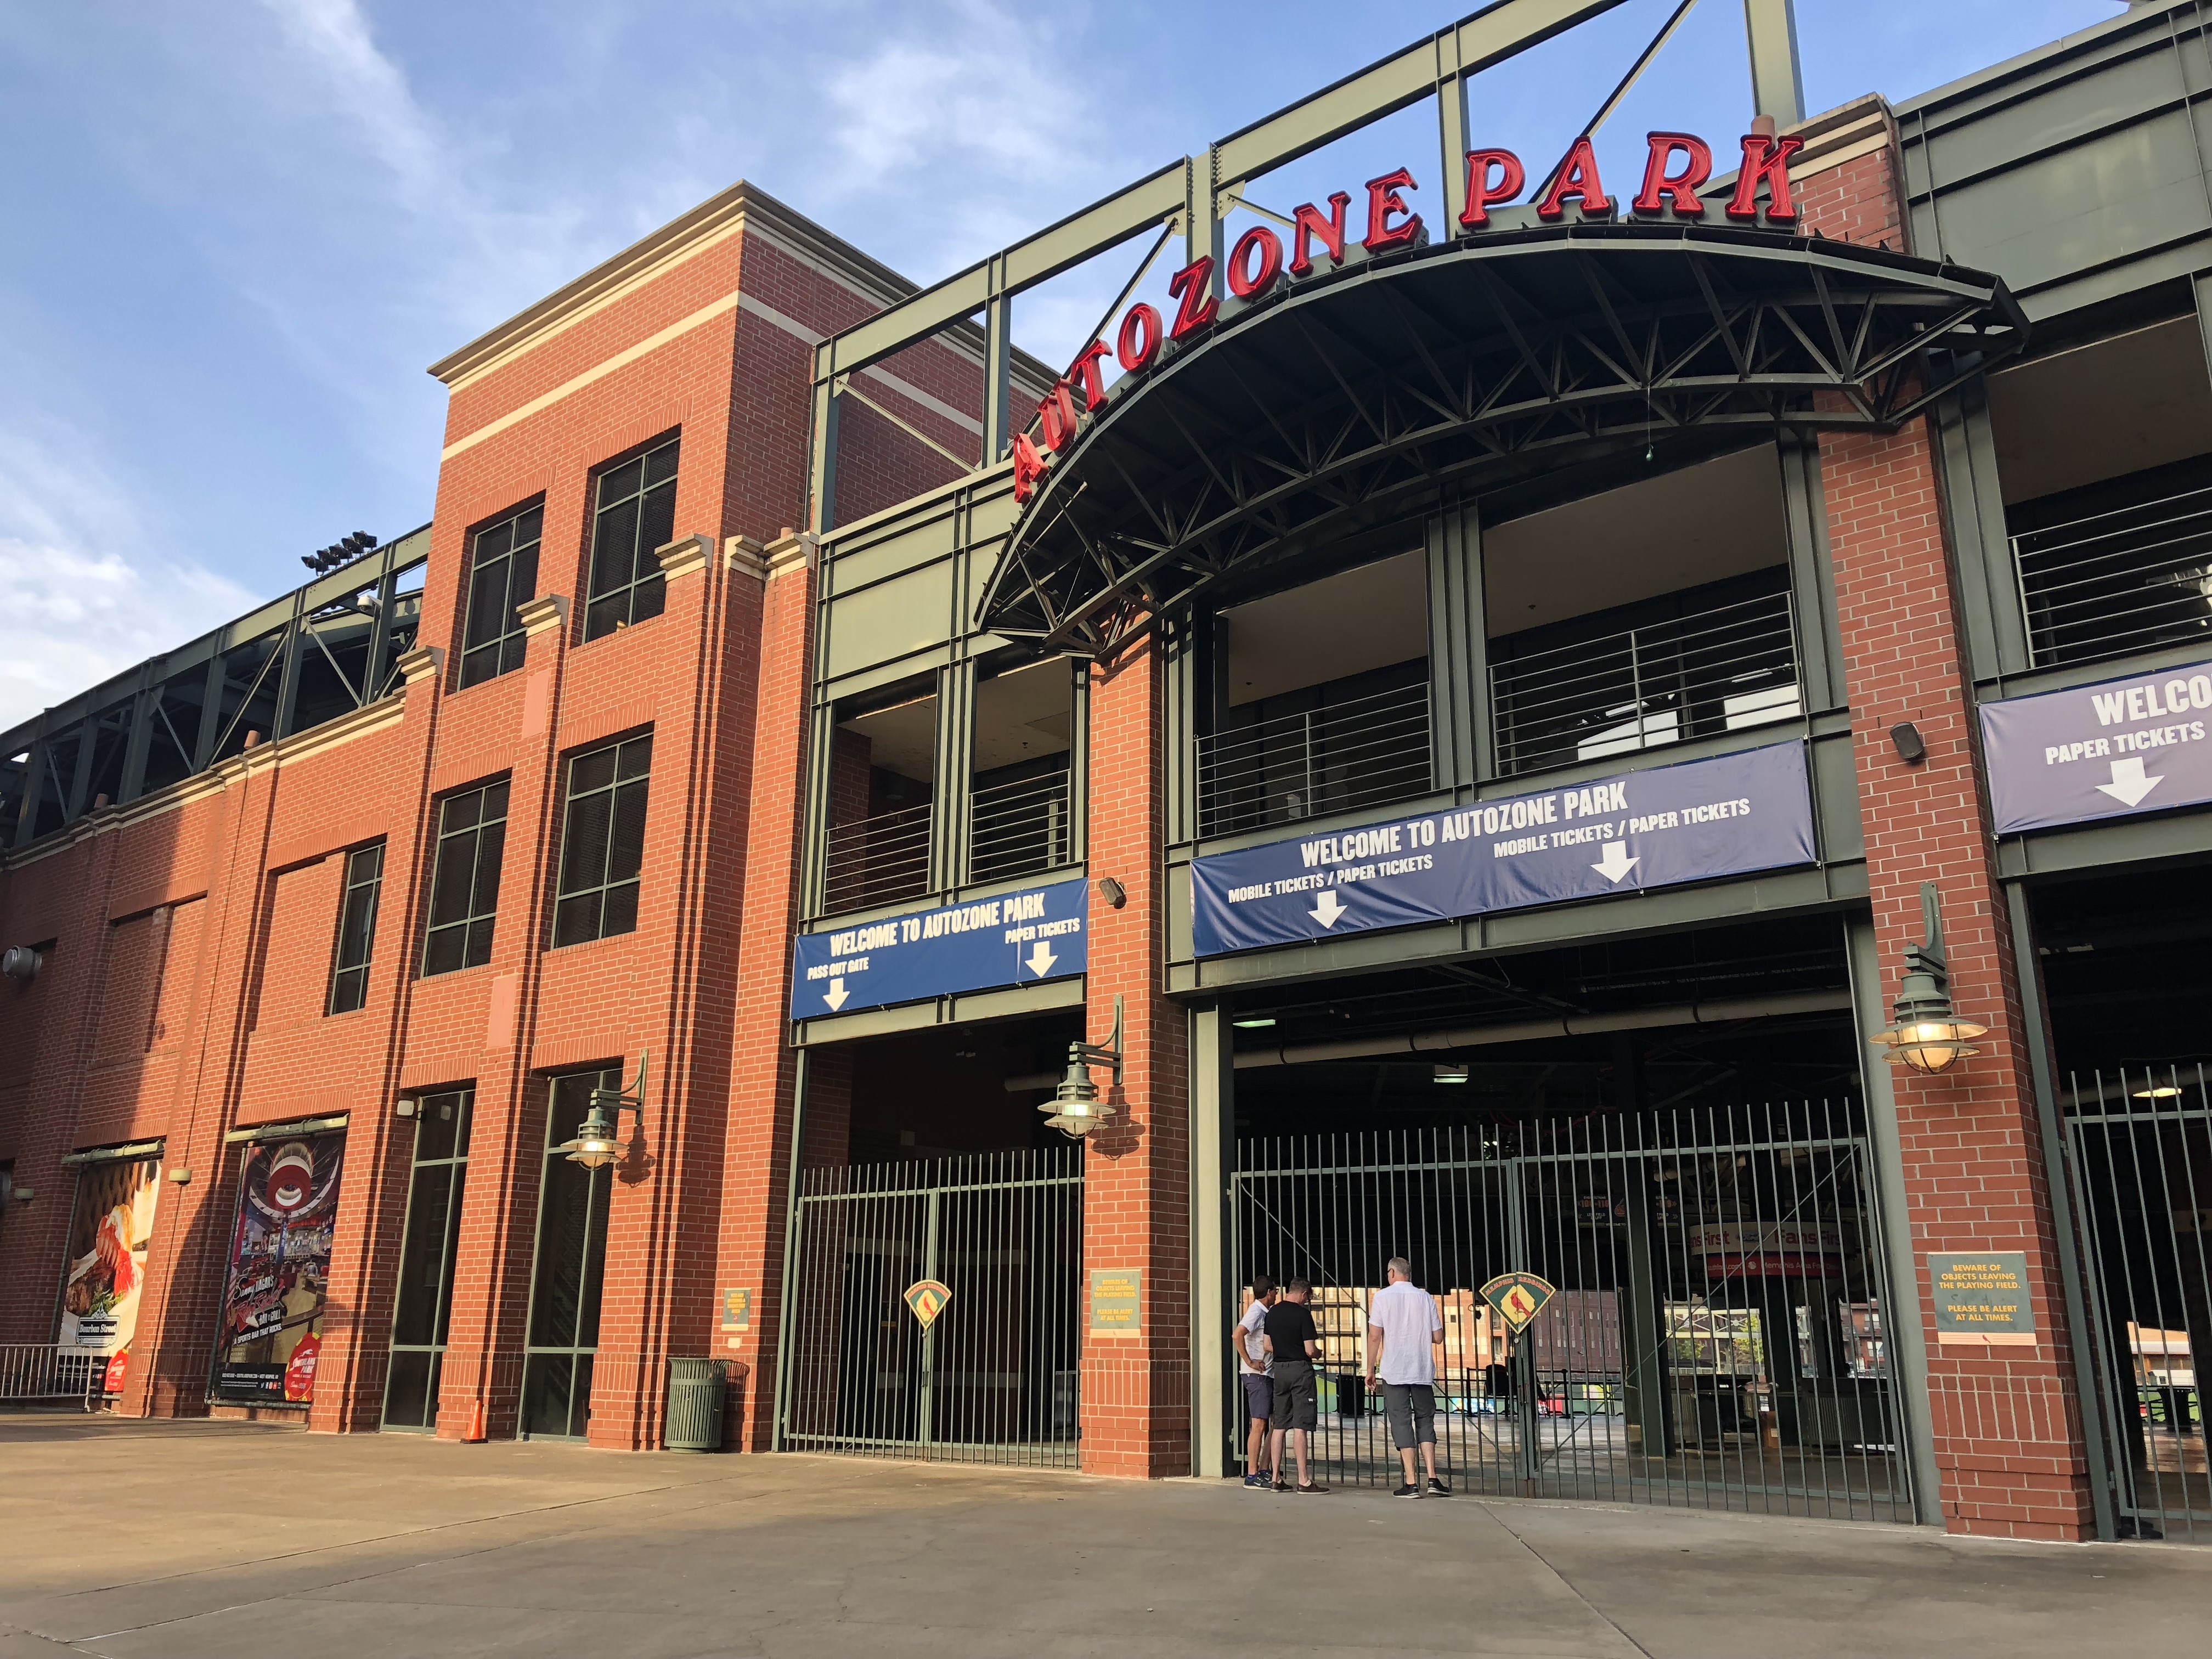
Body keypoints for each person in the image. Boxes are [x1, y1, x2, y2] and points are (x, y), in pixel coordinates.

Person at [1366, 1257, 1449, 1497]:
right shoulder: (1426, 1298)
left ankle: (1411, 1483)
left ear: (1392, 1273)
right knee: (1425, 1420)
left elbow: (1374, 1336)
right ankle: (1433, 1479)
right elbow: (1438, 1337)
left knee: (1402, 1422)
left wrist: (1370, 1369)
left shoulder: (1382, 1297)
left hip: (1394, 1371)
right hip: (1422, 1370)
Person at [1262, 1278, 1328, 1493]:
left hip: (1279, 1369)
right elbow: (1310, 1350)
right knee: (1301, 1425)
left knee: (1279, 1424)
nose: (1308, 1301)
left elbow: (1267, 1345)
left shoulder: (1272, 1313)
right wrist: (1319, 1353)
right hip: (1300, 1370)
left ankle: (1275, 1478)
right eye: (1309, 1297)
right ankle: (1304, 1480)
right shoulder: (1302, 1315)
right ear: (1304, 1294)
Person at [1233, 1276, 1280, 1489]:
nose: (1277, 1294)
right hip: (1257, 1376)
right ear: (1269, 1292)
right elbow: (1237, 1335)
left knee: (1273, 1423)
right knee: (1259, 1423)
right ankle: (1252, 1474)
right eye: (1276, 1291)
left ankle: (1263, 1469)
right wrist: (1249, 1361)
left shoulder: (1265, 1313)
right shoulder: (1256, 1311)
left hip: (1267, 1375)